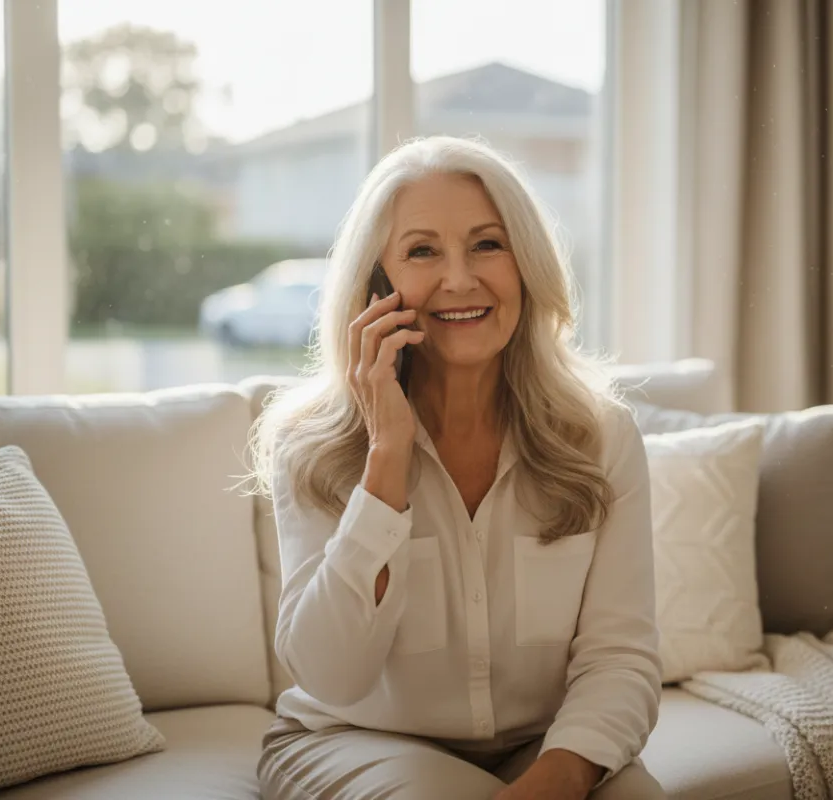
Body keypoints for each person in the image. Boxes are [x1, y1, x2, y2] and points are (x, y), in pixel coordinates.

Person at [248, 135, 665, 800]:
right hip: (353, 738)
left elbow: (621, 656)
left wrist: (558, 775)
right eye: (422, 251)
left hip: (540, 742)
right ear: (376, 286)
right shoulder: (311, 446)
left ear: (525, 264)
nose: (461, 279)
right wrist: (385, 455)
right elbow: (332, 674)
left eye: (487, 245)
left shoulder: (600, 436)